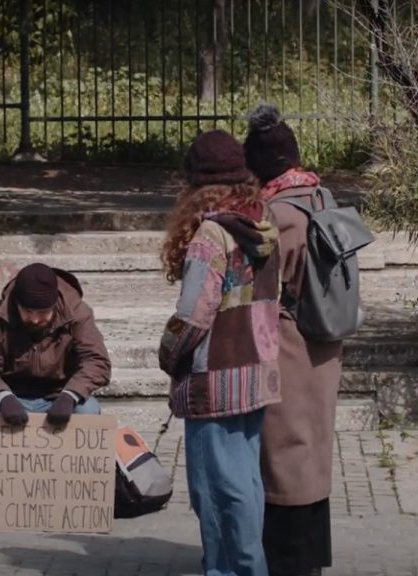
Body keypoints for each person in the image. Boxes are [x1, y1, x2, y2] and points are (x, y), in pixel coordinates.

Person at [158, 129, 282, 576]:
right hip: (258, 370)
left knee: (214, 492)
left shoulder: (212, 235)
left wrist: (168, 356)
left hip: (216, 378)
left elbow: (193, 316)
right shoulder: (263, 219)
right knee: (245, 484)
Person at [244, 103, 344, 576]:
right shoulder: (323, 196)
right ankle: (310, 559)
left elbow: (260, 284)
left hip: (289, 342)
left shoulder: (275, 212)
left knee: (282, 458)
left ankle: (287, 562)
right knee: (313, 451)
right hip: (327, 342)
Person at [0, 262, 111, 427]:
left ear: (54, 306)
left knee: (87, 411)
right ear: (17, 304)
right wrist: (3, 397)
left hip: (59, 395)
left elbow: (96, 361)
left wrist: (70, 395)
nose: (34, 319)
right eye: (27, 311)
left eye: (42, 313)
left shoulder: (78, 314)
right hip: (10, 394)